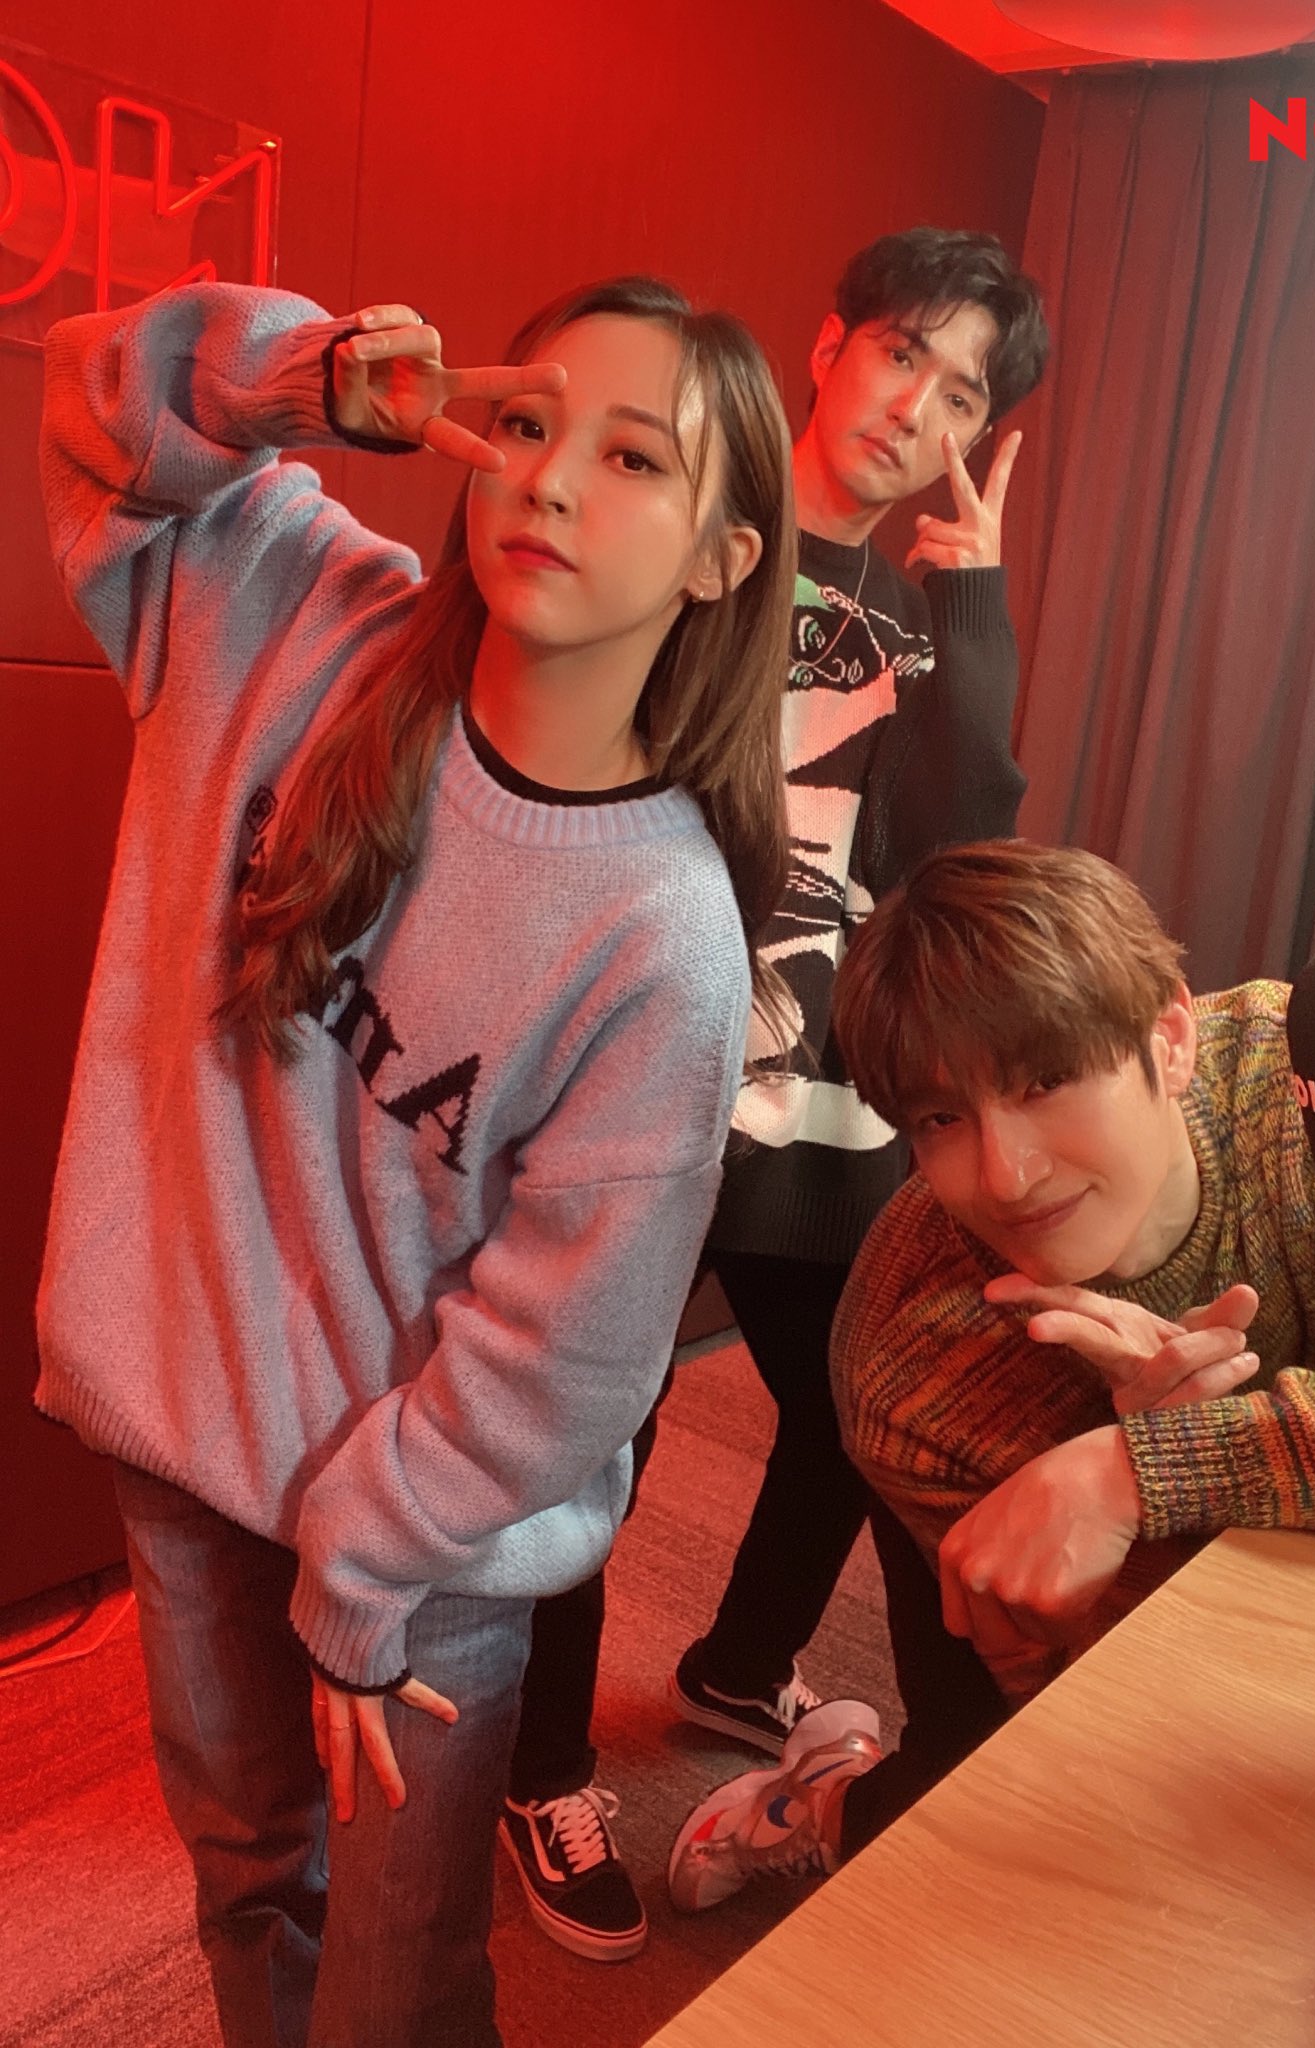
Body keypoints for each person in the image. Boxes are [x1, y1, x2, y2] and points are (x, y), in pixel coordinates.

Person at [33, 271, 798, 2047]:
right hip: (187, 1428)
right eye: (526, 421)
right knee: (244, 1875)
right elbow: (92, 400)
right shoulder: (298, 611)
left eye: (633, 457)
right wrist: (303, 378)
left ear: (722, 559)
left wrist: (368, 1559)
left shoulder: (662, 935)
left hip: (432, 1540)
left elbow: (568, 1349)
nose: (551, 479)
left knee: (397, 1975)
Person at [500, 228, 1049, 1961]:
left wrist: (974, 605)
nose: (920, 408)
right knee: (603, 1434)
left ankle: (741, 1663)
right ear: (829, 346)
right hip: (650, 1073)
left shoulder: (923, 613)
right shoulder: (700, 533)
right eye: (903, 353)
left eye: (963, 393)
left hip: (827, 1100)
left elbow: (956, 846)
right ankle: (538, 1766)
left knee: (860, 1414)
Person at [668, 839, 1315, 1911]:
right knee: (975, 1825)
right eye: (941, 1118)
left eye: (1047, 1080)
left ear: (1169, 1040)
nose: (1008, 1174)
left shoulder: (1302, 1086)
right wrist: (1188, 1504)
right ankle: (828, 1795)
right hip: (1125, 1687)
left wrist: (1143, 1466)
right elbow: (1100, 1709)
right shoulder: (910, 1362)